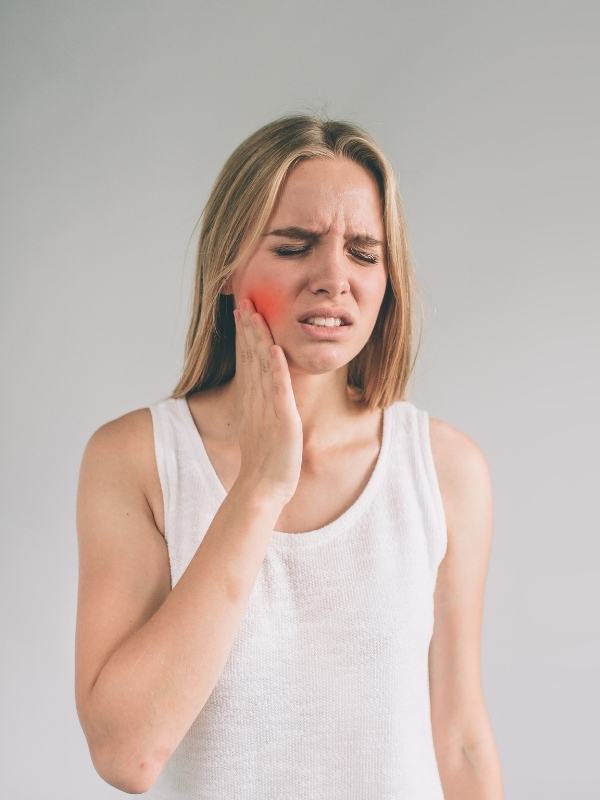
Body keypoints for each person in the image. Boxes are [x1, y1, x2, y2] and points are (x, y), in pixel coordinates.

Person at [74, 113, 504, 798]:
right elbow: (127, 754)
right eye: (296, 245)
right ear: (226, 268)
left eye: (364, 251)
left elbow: (460, 737)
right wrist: (259, 490)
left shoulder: (446, 471)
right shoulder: (137, 460)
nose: (335, 277)